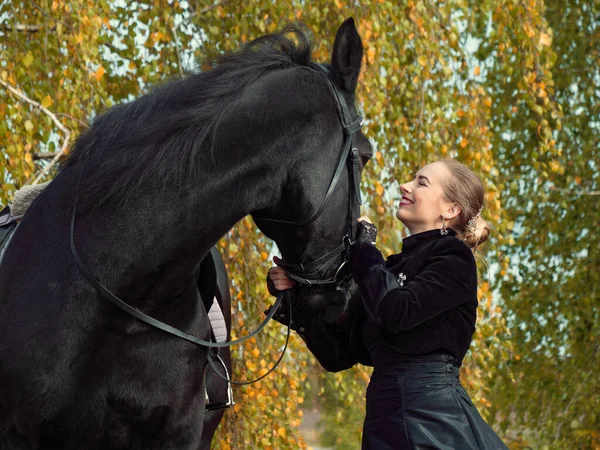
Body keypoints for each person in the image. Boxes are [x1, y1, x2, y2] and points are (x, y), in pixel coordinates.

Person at [267, 158, 508, 449]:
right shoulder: (391, 268)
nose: (404, 186)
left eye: (421, 182)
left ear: (450, 209)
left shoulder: (453, 257)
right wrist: (295, 299)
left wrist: (366, 250)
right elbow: (340, 354)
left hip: (433, 420)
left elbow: (396, 311)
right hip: (384, 421)